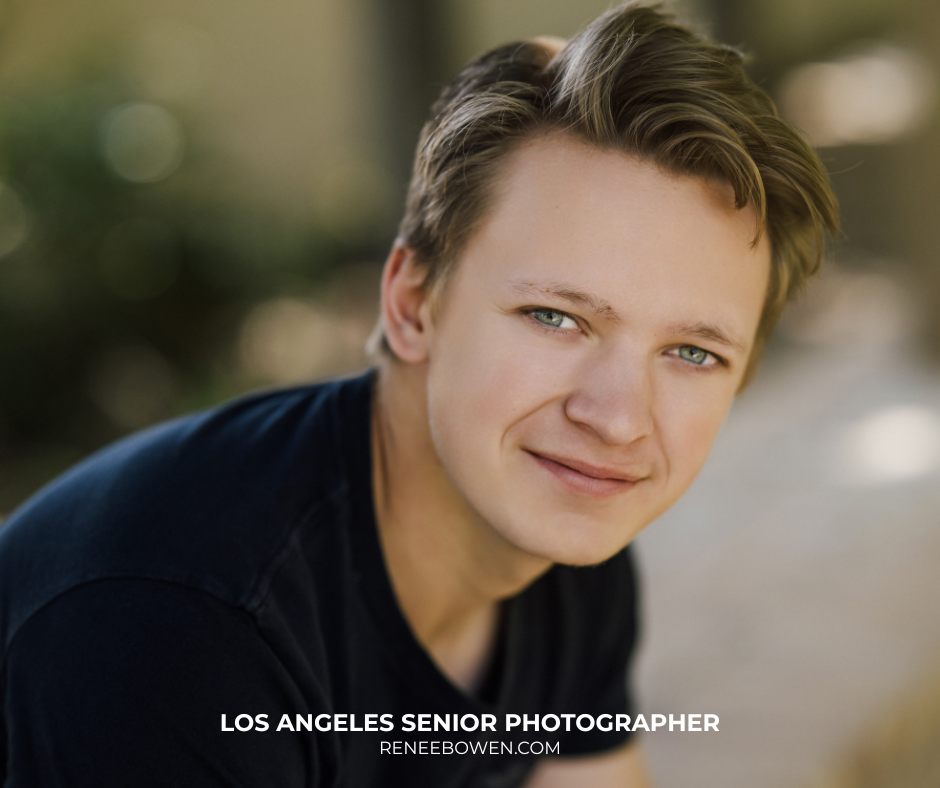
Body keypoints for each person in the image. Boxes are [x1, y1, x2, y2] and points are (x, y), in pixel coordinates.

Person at [0, 3, 837, 786]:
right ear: (411, 304)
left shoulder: (565, 542)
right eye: (555, 316)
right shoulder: (175, 630)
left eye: (691, 352)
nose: (617, 419)